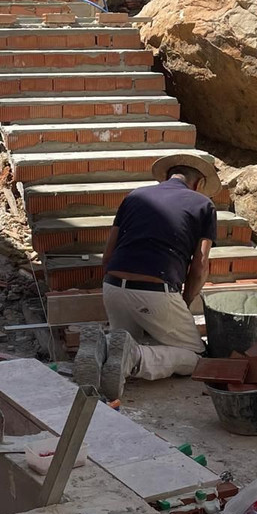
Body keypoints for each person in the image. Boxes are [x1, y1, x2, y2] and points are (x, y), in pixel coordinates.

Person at [75, 153, 219, 401]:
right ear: (199, 183)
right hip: (155, 291)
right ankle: (135, 358)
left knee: (123, 343)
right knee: (196, 356)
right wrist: (183, 302)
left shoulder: (135, 196)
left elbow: (107, 255)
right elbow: (200, 266)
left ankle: (103, 347)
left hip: (113, 287)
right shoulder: (203, 204)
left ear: (166, 177)